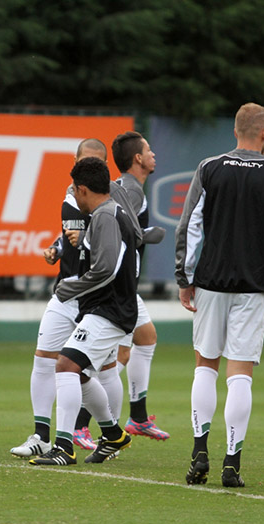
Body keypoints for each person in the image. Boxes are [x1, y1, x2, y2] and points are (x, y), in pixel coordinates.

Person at [175, 103, 264, 487]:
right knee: (240, 374)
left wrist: (185, 276)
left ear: (235, 131)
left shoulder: (208, 168)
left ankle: (199, 452)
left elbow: (189, 226)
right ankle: (232, 462)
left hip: (210, 281)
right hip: (252, 285)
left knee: (204, 367)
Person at [28, 157, 138, 465]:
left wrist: (70, 288)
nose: (74, 198)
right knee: (77, 373)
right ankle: (113, 434)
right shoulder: (107, 214)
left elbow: (107, 269)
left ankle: (63, 448)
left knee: (64, 366)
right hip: (105, 309)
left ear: (84, 189)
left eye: (75, 191)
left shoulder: (105, 217)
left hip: (110, 310)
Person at [10, 138, 107, 458]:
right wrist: (58, 247)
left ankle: (109, 434)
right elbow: (70, 232)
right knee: (43, 359)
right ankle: (40, 434)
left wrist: (86, 239)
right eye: (85, 161)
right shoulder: (71, 195)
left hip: (98, 294)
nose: (90, 167)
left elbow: (116, 235)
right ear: (75, 161)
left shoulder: (112, 197)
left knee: (102, 371)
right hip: (66, 290)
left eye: (97, 161)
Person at [109, 131, 170, 441]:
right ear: (137, 159)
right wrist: (146, 234)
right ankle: (79, 422)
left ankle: (138, 417)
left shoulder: (125, 188)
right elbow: (117, 229)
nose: (153, 154)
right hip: (119, 284)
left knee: (145, 340)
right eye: (148, 150)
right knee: (116, 357)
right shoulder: (132, 191)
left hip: (123, 284)